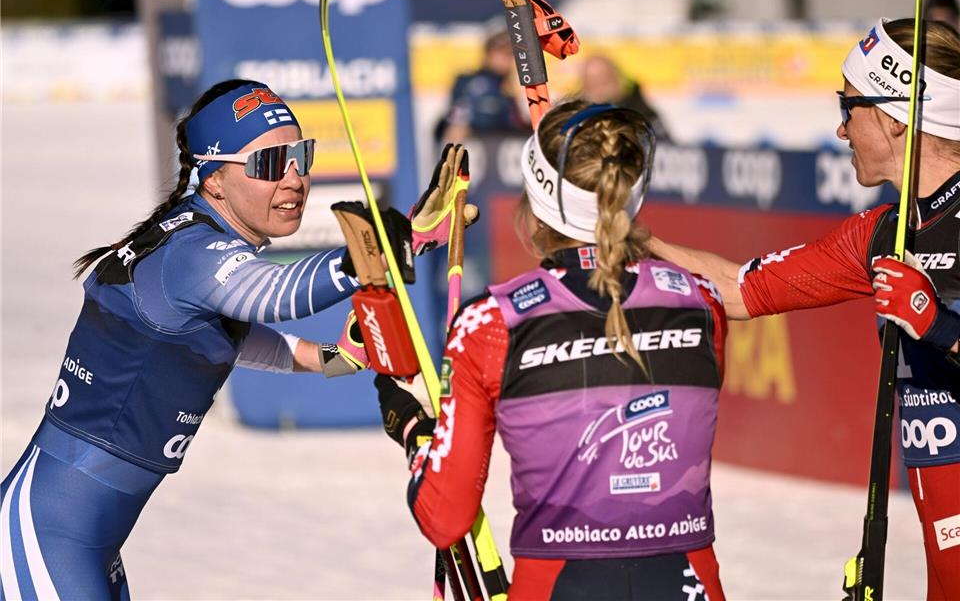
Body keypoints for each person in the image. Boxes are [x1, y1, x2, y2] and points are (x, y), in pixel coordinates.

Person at [0, 78, 430, 598]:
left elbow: (230, 341)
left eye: (301, 156)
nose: (295, 179)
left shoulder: (197, 247)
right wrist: (372, 253)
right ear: (215, 179)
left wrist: (337, 359)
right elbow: (276, 293)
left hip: (87, 537)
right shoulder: (191, 253)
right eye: (269, 164)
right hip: (48, 529)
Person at [650, 18, 960, 600]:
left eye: (848, 106)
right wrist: (624, 237)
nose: (841, 130)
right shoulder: (884, 234)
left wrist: (936, 323)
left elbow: (935, 325)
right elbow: (738, 289)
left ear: (893, 116)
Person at [375, 101, 728, 600]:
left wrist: (416, 432)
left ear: (534, 206)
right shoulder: (703, 301)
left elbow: (444, 516)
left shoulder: (490, 324)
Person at [435, 30, 527, 144]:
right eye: (502, 53)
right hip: (478, 152)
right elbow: (458, 118)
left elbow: (517, 124)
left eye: (511, 54)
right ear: (489, 54)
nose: (507, 59)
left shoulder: (511, 86)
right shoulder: (473, 82)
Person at [579, 54, 671, 141]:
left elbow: (664, 146)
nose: (599, 86)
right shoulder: (577, 118)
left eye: (604, 78)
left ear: (617, 79)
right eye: (592, 82)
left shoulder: (641, 112)